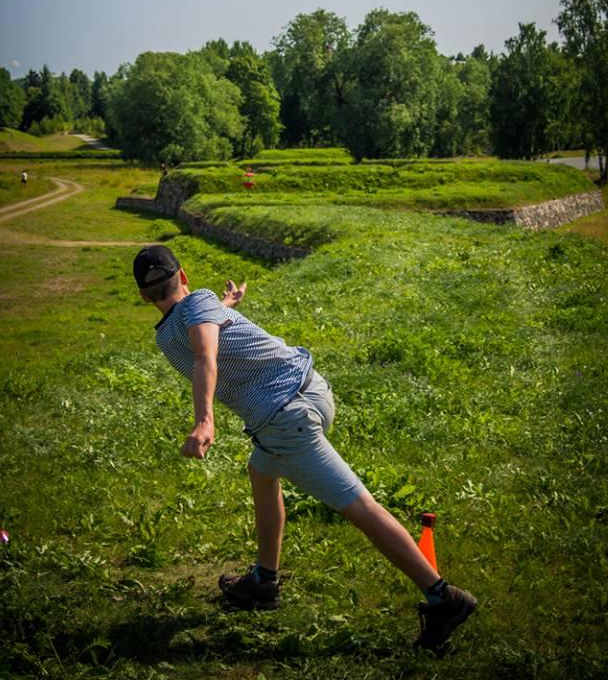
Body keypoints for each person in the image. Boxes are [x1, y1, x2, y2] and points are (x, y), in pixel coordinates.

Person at [133, 244, 477, 651]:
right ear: (183, 276)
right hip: (303, 393)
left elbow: (207, 356)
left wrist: (204, 420)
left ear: (143, 296)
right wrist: (229, 304)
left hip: (287, 418)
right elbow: (203, 331)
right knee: (262, 472)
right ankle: (263, 582)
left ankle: (443, 597)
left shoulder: (196, 313)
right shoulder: (198, 310)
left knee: (360, 506)